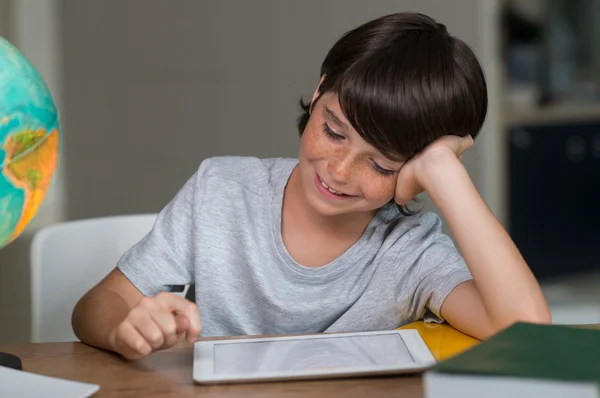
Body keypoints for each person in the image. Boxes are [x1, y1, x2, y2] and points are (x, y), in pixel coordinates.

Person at [72, 12, 551, 360]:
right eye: (334, 131)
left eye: (381, 165)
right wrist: (124, 330)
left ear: (415, 173)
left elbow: (528, 334)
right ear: (320, 90)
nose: (339, 171)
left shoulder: (411, 251)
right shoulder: (221, 190)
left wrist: (447, 174)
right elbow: (97, 306)